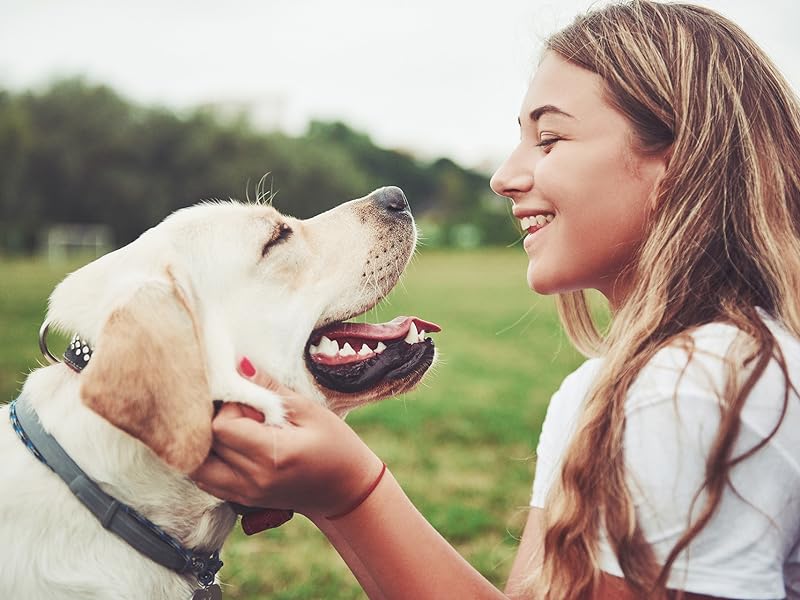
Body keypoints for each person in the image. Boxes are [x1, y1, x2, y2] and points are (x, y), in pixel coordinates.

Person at [192, 1, 800, 598]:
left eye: (550, 138)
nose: (505, 175)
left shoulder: (696, 385)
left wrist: (353, 492)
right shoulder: (594, 393)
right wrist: (332, 492)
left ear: (680, 160)